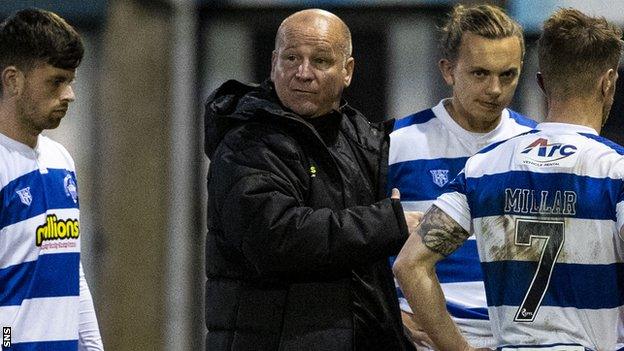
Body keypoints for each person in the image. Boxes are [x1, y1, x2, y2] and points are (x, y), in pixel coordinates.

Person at [394, 7, 624, 350]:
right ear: (608, 82)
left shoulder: (483, 167)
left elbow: (410, 265)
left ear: (541, 81)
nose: (494, 89)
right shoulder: (615, 170)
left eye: (507, 75)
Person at [204, 8, 417, 351]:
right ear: (273, 63)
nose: (302, 73)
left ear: (347, 71)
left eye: (320, 61)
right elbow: (277, 238)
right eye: (291, 58)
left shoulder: (364, 141)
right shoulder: (246, 143)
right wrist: (388, 223)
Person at [387, 4, 535, 349]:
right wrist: (391, 311)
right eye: (480, 74)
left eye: (508, 74)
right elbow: (360, 246)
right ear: (448, 71)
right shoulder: (397, 144)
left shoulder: (536, 148)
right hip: (423, 341)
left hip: (520, 338)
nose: (495, 89)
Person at [0, 8, 103, 351]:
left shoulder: (62, 161)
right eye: (56, 81)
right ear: (13, 80)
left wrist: (92, 346)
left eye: (71, 80)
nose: (70, 94)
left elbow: (71, 270)